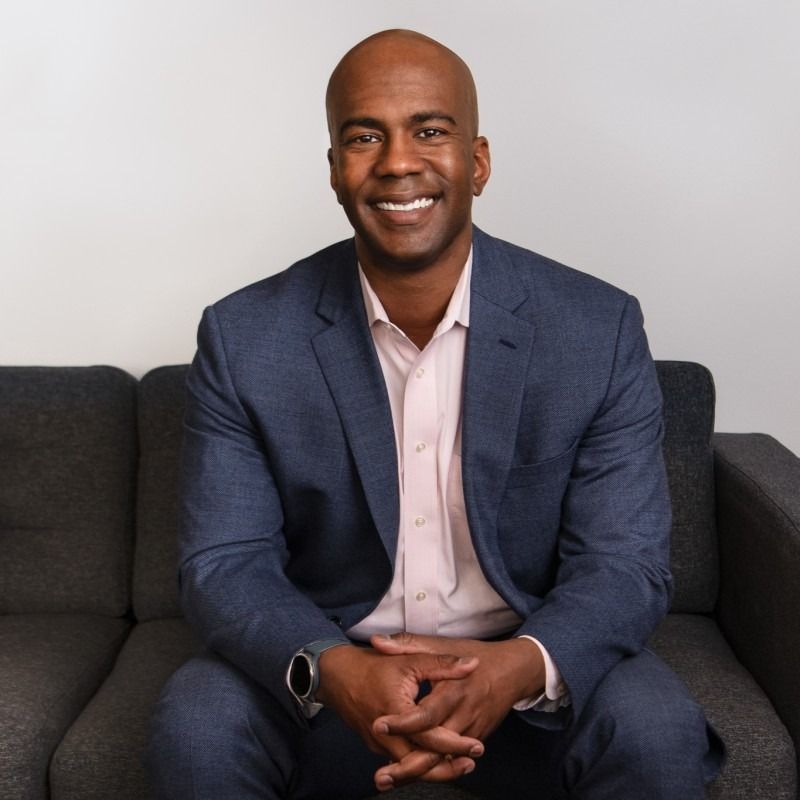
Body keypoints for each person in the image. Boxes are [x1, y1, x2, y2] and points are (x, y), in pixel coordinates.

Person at [146, 28, 722, 799]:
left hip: (526, 679)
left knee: (655, 728)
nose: (397, 162)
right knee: (197, 722)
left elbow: (623, 565)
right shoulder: (246, 336)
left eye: (429, 130)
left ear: (476, 162)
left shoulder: (596, 328)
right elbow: (224, 562)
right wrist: (335, 667)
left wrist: (516, 666)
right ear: (334, 170)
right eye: (363, 136)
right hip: (335, 679)